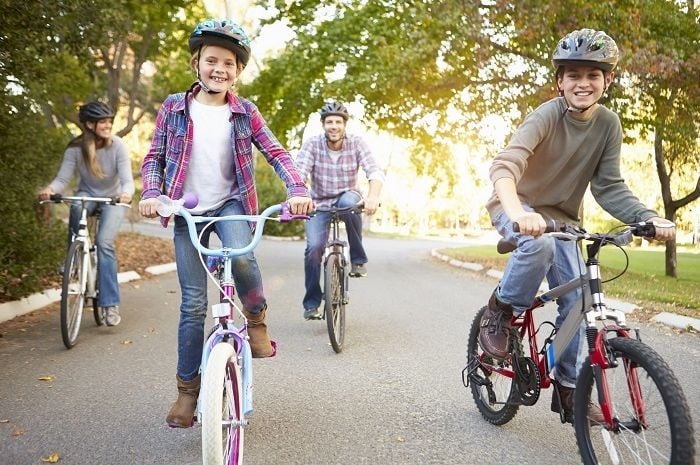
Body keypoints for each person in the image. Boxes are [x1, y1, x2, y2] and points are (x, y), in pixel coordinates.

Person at [479, 28, 675, 422]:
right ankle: (499, 312)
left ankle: (569, 391)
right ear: (560, 81)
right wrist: (518, 213)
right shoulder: (547, 115)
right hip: (518, 206)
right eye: (573, 75)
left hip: (564, 221)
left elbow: (609, 187)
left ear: (608, 80)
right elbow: (505, 165)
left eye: (592, 75)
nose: (582, 83)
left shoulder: (608, 125)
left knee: (578, 302)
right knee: (539, 245)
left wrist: (647, 217)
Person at [138, 19, 313, 429]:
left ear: (237, 71)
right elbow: (153, 158)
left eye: (229, 63)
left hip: (232, 204)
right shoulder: (173, 107)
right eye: (212, 60)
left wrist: (297, 190)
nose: (220, 68)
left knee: (245, 261)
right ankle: (187, 391)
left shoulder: (245, 112)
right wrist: (150, 193)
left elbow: (276, 152)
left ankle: (255, 319)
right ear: (196, 63)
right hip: (187, 209)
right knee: (193, 305)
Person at [39, 101, 134, 327]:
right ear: (90, 124)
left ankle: (110, 304)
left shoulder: (118, 145)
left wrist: (126, 193)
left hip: (112, 199)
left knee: (104, 243)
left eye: (110, 121)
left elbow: (127, 180)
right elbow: (63, 179)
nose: (108, 125)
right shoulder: (75, 148)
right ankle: (72, 258)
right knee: (75, 206)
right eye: (103, 121)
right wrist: (50, 190)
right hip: (86, 195)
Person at [294, 101, 384, 320]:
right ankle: (312, 303)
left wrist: (372, 197)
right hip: (319, 204)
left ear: (344, 125)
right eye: (329, 122)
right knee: (314, 248)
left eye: (337, 122)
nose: (333, 126)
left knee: (348, 205)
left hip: (348, 196)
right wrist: (298, 196)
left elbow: (375, 171)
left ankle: (358, 259)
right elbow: (299, 173)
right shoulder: (313, 144)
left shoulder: (357, 143)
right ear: (324, 125)